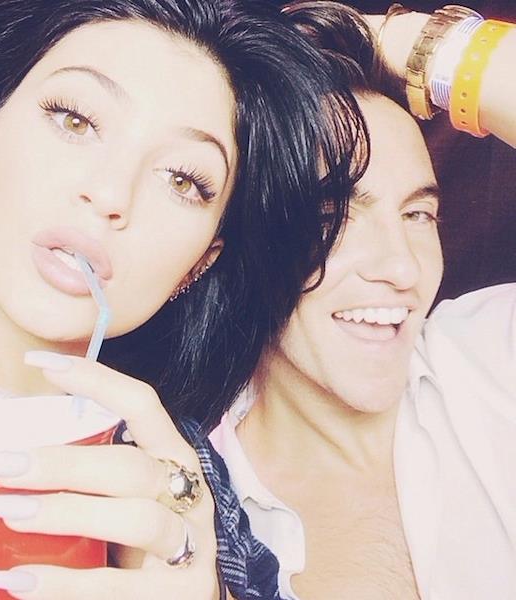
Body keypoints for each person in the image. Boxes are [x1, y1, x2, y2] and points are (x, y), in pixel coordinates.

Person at [0, 1, 371, 598]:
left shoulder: (184, 476)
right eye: (75, 120)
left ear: (200, 263)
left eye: (182, 180)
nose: (111, 194)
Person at [210, 3, 516, 599]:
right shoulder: (189, 506)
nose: (402, 268)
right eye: (334, 215)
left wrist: (405, 43)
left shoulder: (490, 355)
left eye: (417, 214)